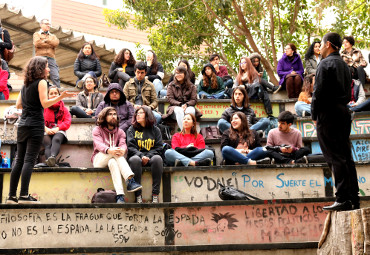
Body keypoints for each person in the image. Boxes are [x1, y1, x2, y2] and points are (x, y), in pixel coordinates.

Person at [6, 56, 75, 204]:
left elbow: (18, 105)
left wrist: (30, 105)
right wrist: (61, 97)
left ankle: (11, 196)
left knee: (19, 160)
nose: (49, 69)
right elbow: (44, 103)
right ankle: (24, 195)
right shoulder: (42, 82)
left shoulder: (25, 83)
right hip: (35, 124)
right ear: (40, 68)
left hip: (23, 125)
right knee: (29, 160)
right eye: (47, 66)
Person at [312, 32, 359, 211]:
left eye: (322, 44)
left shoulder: (325, 64)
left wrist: (314, 115)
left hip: (328, 113)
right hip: (343, 112)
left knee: (334, 156)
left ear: (329, 44)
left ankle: (342, 198)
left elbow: (318, 92)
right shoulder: (344, 66)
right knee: (346, 156)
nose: (320, 47)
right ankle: (353, 198)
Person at [92, 107, 142, 204]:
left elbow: (123, 144)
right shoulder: (97, 130)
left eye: (114, 114)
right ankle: (130, 180)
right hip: (99, 159)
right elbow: (99, 145)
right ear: (104, 117)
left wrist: (123, 150)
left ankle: (120, 196)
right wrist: (110, 150)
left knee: (113, 162)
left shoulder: (120, 132)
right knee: (115, 154)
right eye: (110, 114)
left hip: (113, 159)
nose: (113, 116)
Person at [126, 106, 164, 203]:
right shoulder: (131, 129)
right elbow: (130, 147)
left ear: (147, 115)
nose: (138, 115)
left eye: (141, 113)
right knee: (135, 160)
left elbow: (159, 147)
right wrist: (141, 156)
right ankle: (138, 195)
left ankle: (155, 194)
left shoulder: (156, 130)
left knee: (158, 159)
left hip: (151, 157)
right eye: (137, 113)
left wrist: (148, 156)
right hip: (136, 157)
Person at [161, 66, 202, 130]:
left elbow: (194, 99)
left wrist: (186, 104)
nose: (178, 75)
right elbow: (170, 99)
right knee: (179, 110)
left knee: (190, 110)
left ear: (185, 74)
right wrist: (180, 104)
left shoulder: (192, 86)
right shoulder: (171, 85)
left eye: (180, 73)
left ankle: (190, 132)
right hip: (174, 108)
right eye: (176, 73)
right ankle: (185, 133)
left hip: (188, 106)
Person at [43, 86, 72, 167]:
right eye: (51, 93)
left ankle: (52, 158)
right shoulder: (43, 108)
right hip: (45, 129)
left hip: (59, 129)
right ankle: (51, 162)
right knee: (47, 143)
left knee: (56, 139)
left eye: (56, 93)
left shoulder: (64, 109)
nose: (54, 95)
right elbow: (38, 120)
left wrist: (57, 128)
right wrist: (46, 129)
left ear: (59, 95)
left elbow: (67, 122)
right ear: (47, 96)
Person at [33, 18, 60, 87]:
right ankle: (39, 90)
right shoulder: (36, 34)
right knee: (39, 76)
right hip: (40, 58)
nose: (48, 26)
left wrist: (45, 40)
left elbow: (56, 43)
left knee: (55, 76)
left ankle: (58, 92)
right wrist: (50, 43)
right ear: (41, 25)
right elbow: (37, 43)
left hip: (51, 58)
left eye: (49, 24)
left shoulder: (53, 36)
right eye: (46, 24)